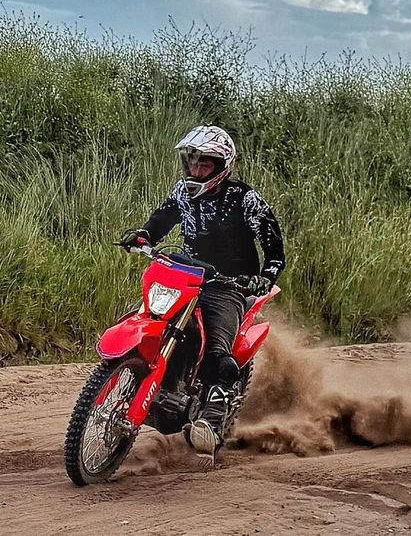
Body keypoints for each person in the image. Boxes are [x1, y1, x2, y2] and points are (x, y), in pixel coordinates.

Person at [118, 125, 286, 455]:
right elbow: (161, 220)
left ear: (222, 167)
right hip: (183, 276)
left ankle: (211, 419)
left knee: (217, 352)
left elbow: (275, 250)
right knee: (145, 315)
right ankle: (136, 379)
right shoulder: (182, 191)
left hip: (228, 286)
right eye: (191, 162)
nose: (196, 169)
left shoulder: (245, 199)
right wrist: (142, 236)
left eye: (204, 164)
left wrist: (263, 277)